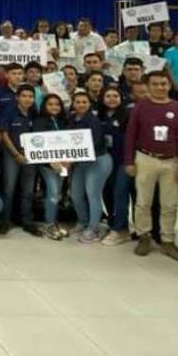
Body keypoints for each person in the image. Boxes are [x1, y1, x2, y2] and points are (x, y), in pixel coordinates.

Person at [124, 70, 178, 261]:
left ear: (169, 85)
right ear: (148, 86)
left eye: (163, 84)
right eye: (155, 84)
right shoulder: (139, 107)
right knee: (143, 202)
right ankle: (143, 235)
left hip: (172, 161)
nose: (160, 87)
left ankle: (168, 240)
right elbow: (130, 135)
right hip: (145, 158)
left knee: (169, 204)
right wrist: (129, 161)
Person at [67, 91, 113, 243]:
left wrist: (70, 160)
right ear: (73, 104)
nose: (81, 105)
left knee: (92, 193)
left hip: (98, 160)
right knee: (75, 194)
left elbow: (89, 145)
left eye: (84, 102)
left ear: (89, 104)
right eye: (78, 102)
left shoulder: (93, 121)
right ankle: (83, 221)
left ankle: (93, 228)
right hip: (80, 161)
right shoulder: (72, 118)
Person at [20, 94, 68, 239]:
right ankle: (49, 225)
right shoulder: (39, 122)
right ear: (44, 106)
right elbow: (37, 146)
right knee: (53, 194)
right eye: (50, 104)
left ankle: (53, 221)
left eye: (57, 104)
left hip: (63, 164)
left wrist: (67, 161)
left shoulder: (64, 121)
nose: (54, 107)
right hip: (46, 165)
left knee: (57, 195)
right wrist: (50, 162)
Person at [0, 84, 39, 235]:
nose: (28, 99)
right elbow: (4, 135)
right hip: (11, 154)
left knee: (28, 191)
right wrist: (16, 154)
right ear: (17, 97)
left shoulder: (34, 112)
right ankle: (5, 221)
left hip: (31, 155)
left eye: (31, 96)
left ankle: (27, 221)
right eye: (24, 96)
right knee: (9, 189)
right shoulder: (9, 111)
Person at [98, 87, 133, 245]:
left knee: (120, 194)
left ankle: (121, 229)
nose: (112, 99)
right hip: (105, 161)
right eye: (108, 96)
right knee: (107, 193)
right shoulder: (98, 115)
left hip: (122, 161)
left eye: (115, 95)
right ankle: (113, 224)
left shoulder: (128, 115)